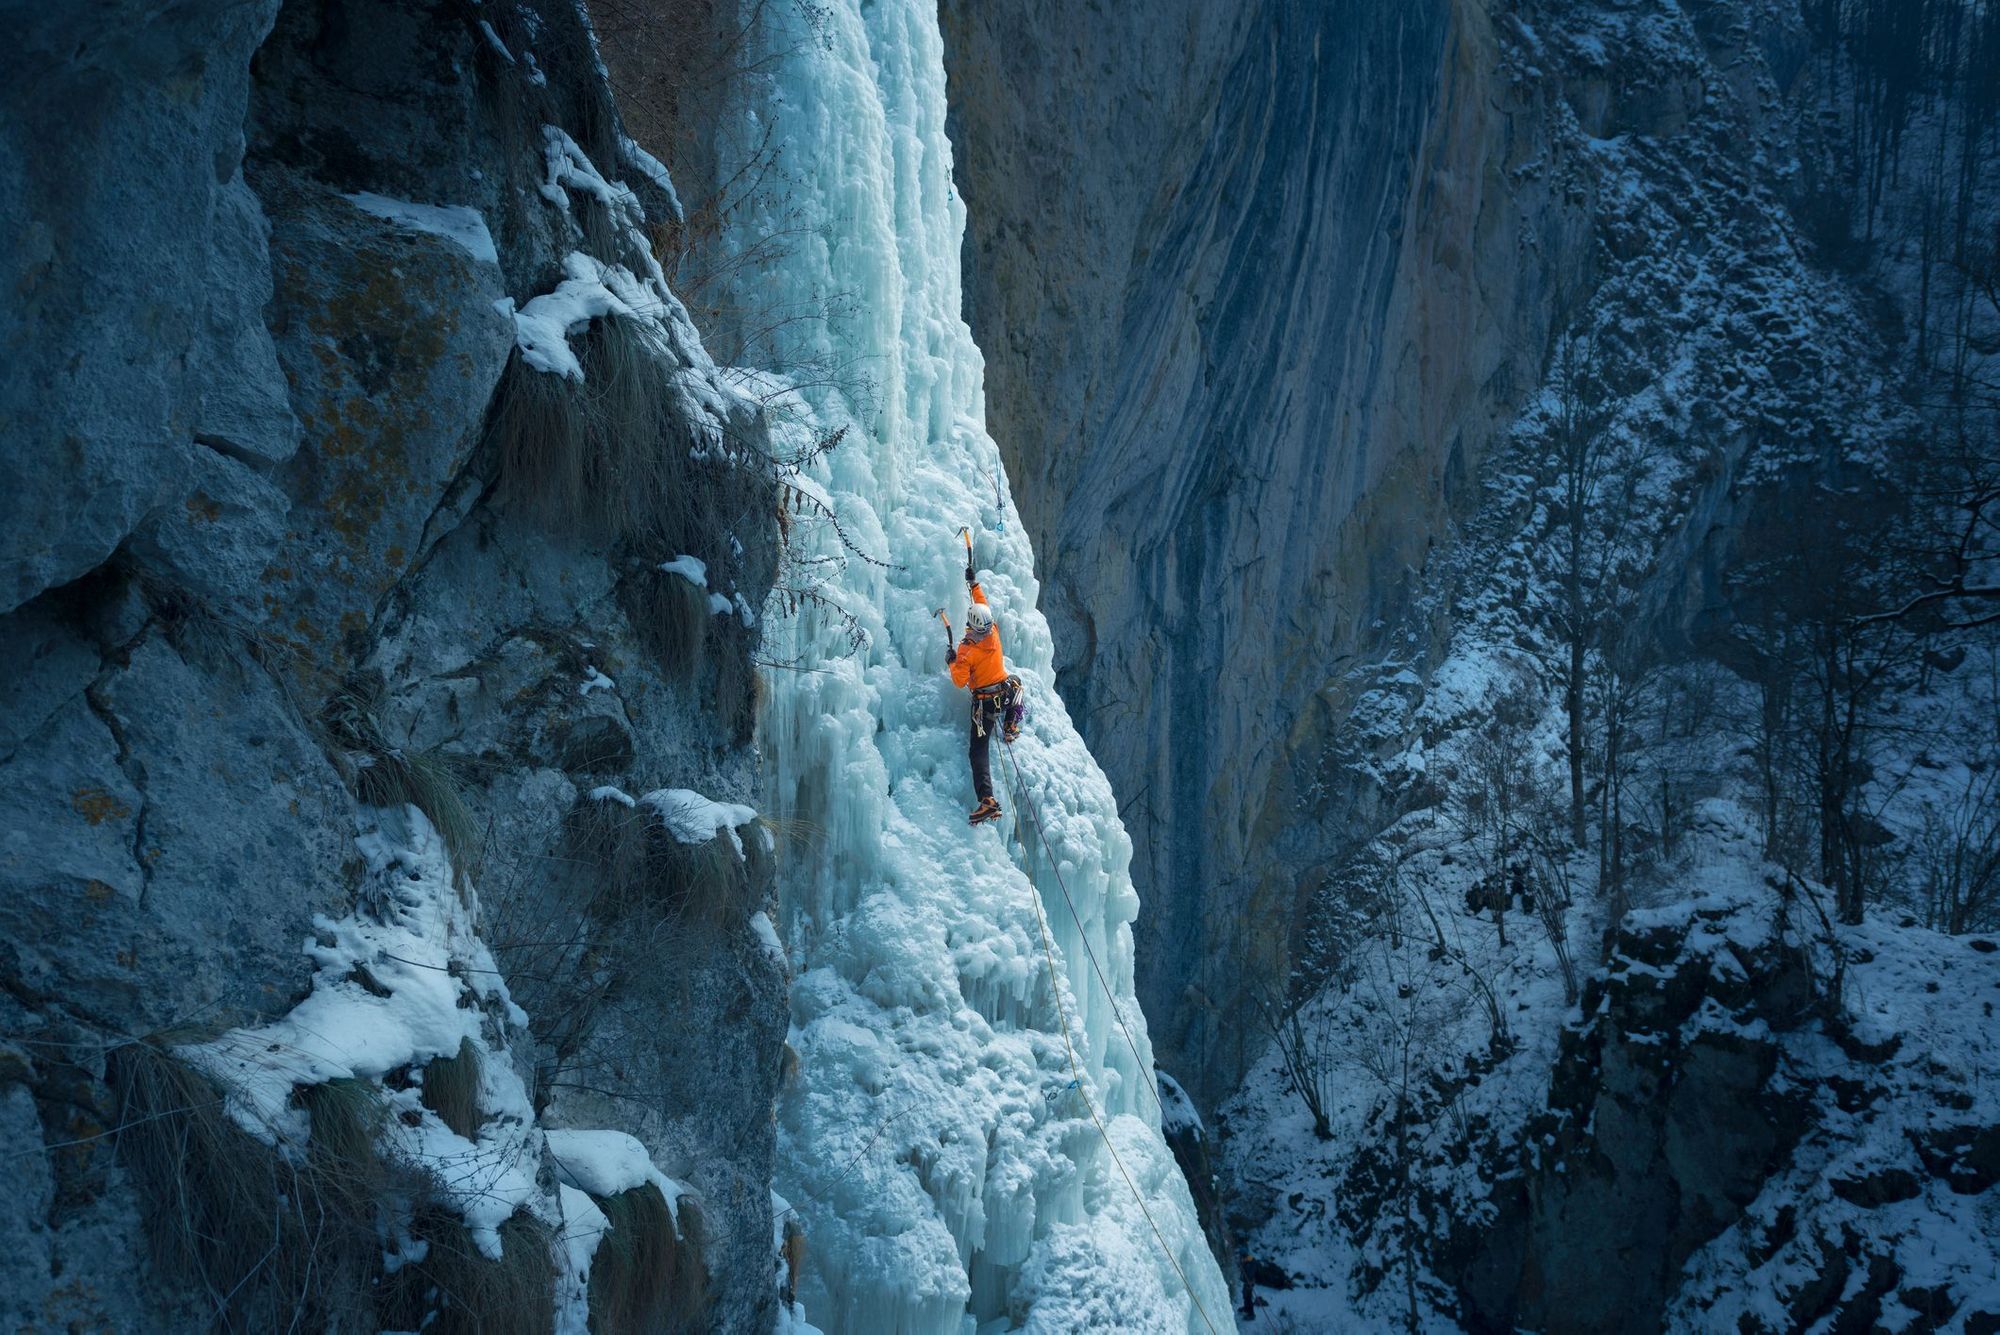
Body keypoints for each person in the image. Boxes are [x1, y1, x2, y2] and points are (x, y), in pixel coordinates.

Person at [947, 557, 1007, 824]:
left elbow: (959, 681)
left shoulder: (967, 650)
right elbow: (981, 602)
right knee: (1015, 681)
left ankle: (987, 800)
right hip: (1002, 694)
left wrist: (951, 661)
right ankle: (1014, 719)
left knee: (978, 752)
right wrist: (973, 583)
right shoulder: (992, 630)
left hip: (984, 705)